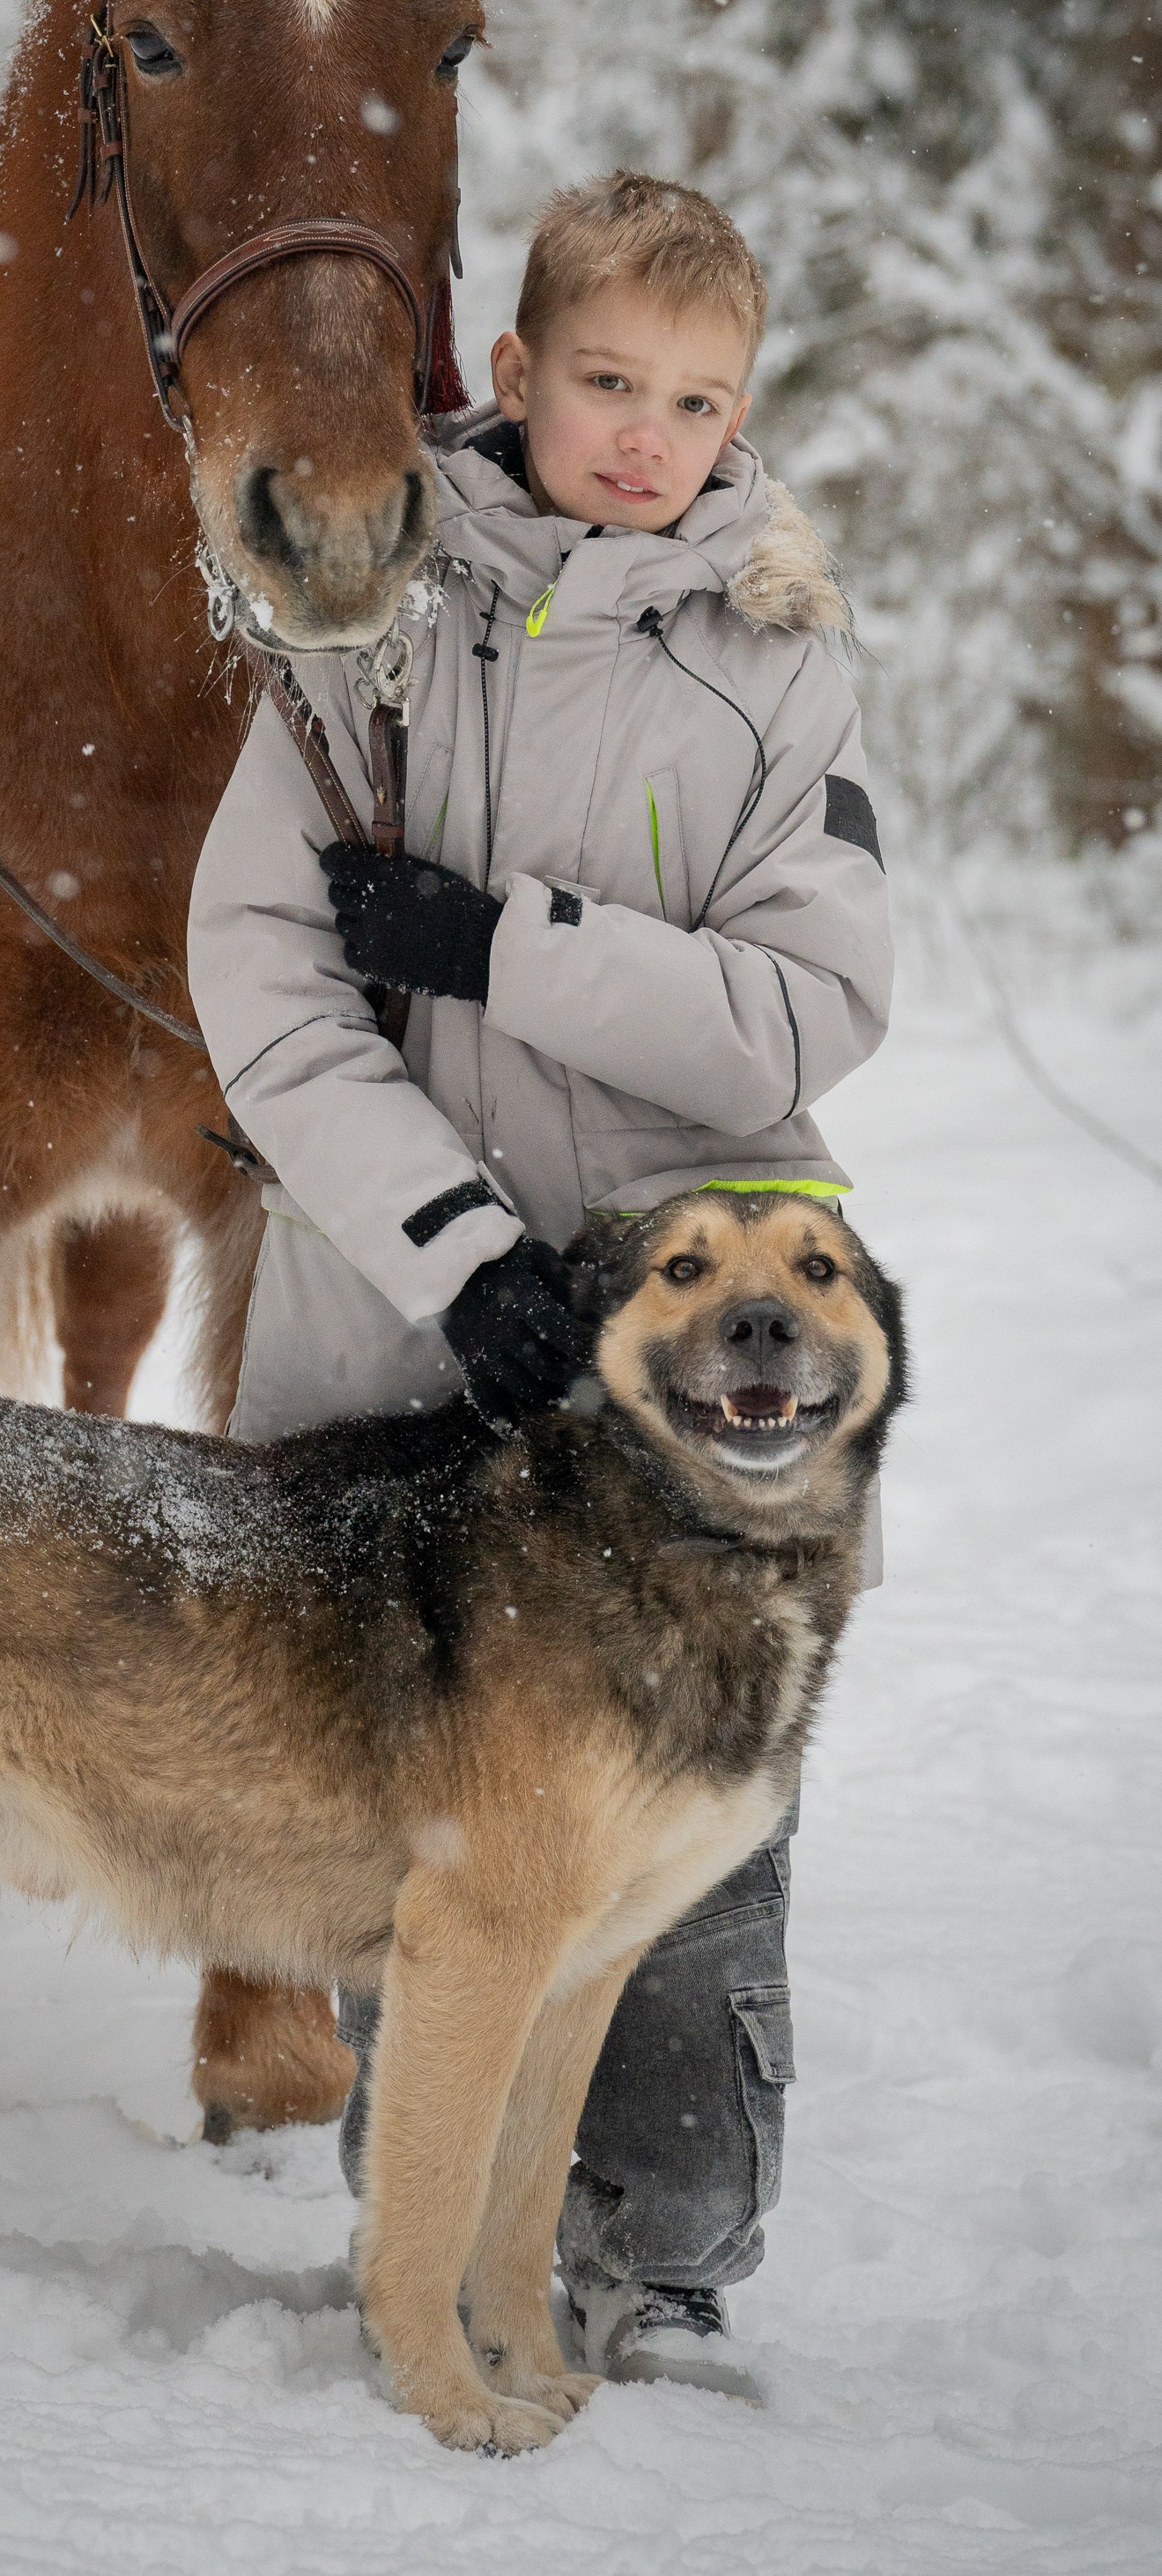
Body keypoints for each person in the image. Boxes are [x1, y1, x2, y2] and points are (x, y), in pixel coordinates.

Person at [186, 170, 892, 2397]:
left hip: (686, 1377)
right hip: (397, 1324)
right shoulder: (371, 615)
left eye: (697, 400)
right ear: (511, 374)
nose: (646, 435)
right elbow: (265, 985)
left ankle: (662, 2252)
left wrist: (506, 949)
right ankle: (444, 2250)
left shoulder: (784, 654)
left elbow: (806, 1015)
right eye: (604, 382)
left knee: (669, 1822)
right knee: (422, 1817)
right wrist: (461, 1248)